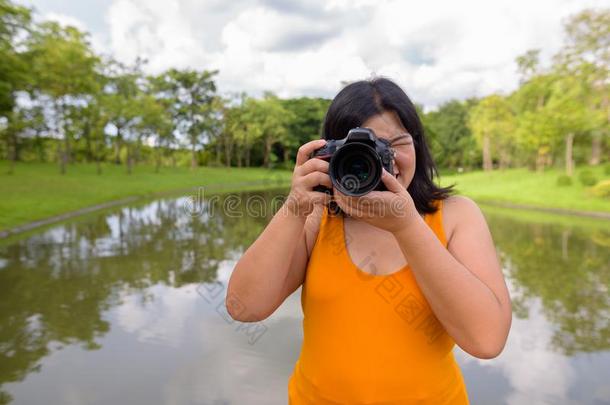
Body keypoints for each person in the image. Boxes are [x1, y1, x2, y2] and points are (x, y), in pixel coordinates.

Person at [226, 77, 512, 404]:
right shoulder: (318, 219)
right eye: (362, 150)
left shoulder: (455, 215)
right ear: (331, 155)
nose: (378, 160)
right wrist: (294, 208)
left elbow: (487, 341)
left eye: (396, 144)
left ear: (418, 145)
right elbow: (242, 307)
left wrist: (407, 226)